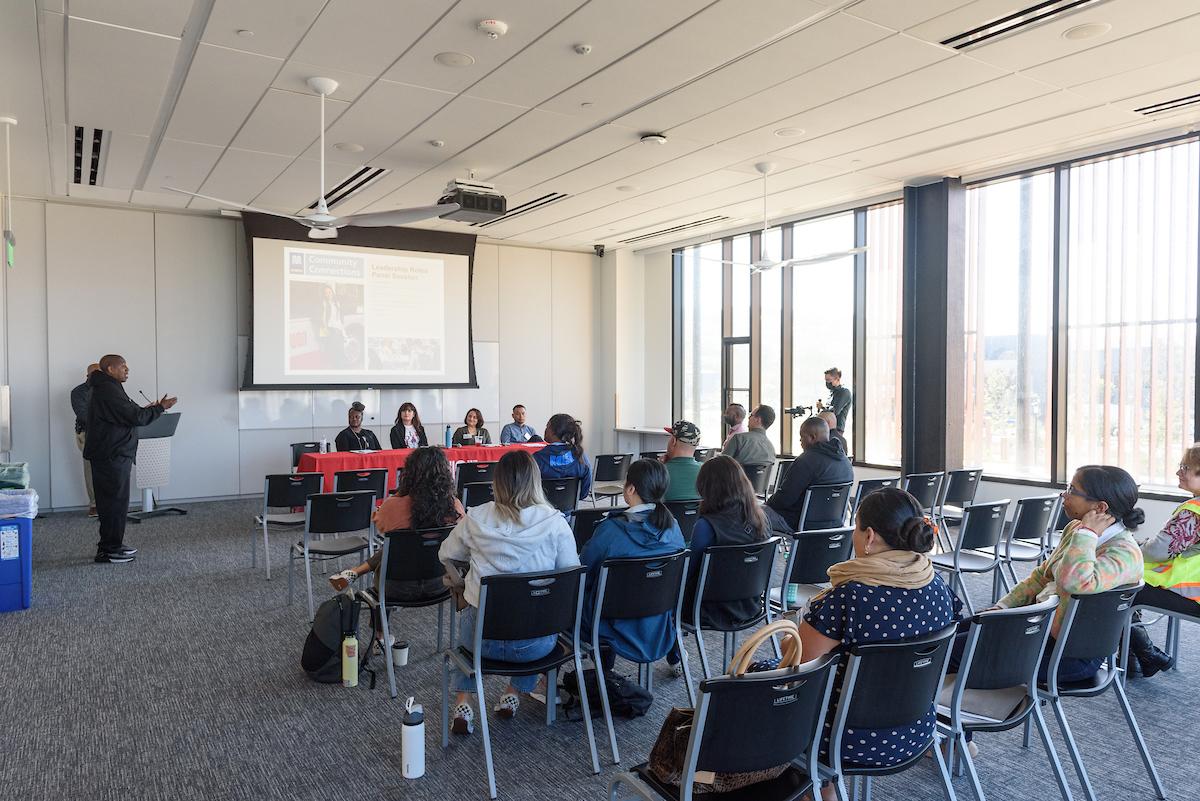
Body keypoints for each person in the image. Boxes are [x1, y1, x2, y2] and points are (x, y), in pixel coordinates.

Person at [797, 487, 960, 790]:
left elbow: (799, 666)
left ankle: (820, 787)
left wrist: (794, 633)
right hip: (918, 729)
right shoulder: (938, 587)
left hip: (843, 738)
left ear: (869, 536)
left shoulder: (848, 597)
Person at [439, 449, 579, 734]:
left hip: (481, 641)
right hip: (535, 645)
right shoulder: (555, 523)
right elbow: (571, 575)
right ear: (535, 481)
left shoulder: (476, 518)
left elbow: (446, 553)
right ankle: (514, 692)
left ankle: (464, 704)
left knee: (471, 617)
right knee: (533, 618)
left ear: (497, 482)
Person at [994, 465, 1144, 684]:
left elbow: (1074, 583)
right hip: (1040, 630)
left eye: (1072, 490)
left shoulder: (1123, 553)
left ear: (1100, 508)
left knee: (960, 655)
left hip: (1070, 655)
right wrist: (1003, 607)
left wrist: (1088, 534)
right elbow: (1041, 577)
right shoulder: (1075, 529)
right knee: (960, 633)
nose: (1064, 495)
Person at [329, 447, 463, 642]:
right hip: (439, 584)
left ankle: (380, 637)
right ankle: (356, 572)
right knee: (404, 547)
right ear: (444, 475)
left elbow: (380, 524)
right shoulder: (454, 506)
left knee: (394, 550)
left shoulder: (393, 506)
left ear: (409, 473)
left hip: (397, 588)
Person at [580, 458, 686, 673]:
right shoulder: (673, 527)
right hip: (658, 617)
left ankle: (600, 667)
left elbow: (584, 570)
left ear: (630, 488)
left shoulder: (610, 530)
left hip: (610, 622)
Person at [84, 354, 177, 563]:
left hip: (113, 453)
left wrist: (153, 408)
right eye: (122, 366)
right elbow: (135, 417)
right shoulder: (107, 389)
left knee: (115, 503)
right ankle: (110, 550)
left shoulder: (109, 387)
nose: (127, 370)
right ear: (109, 369)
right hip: (111, 454)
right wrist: (160, 408)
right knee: (113, 504)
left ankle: (112, 545)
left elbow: (131, 413)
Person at [1123, 447, 1200, 677]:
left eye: (1186, 468)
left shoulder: (1193, 511)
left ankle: (1142, 655)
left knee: (1119, 587)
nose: (1179, 472)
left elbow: (1158, 551)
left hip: (1191, 594)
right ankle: (1141, 657)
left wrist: (1133, 546)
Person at [682, 455, 771, 629]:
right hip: (750, 605)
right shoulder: (761, 519)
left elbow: (688, 572)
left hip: (706, 610)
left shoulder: (706, 527)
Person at [764, 416, 853, 534]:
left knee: (750, 514)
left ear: (812, 437)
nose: (800, 441)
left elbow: (785, 499)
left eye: (802, 437)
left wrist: (767, 504)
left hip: (798, 522)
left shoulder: (806, 460)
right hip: (834, 522)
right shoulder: (845, 461)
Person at [533, 413, 592, 500]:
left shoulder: (536, 458)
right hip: (570, 510)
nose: (545, 430)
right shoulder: (580, 456)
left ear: (552, 431)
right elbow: (583, 493)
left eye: (547, 427)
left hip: (544, 509)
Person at [71, 362, 101, 517]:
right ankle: (94, 504)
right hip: (88, 434)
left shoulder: (110, 389)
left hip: (109, 434)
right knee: (91, 468)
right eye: (94, 374)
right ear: (87, 376)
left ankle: (110, 502)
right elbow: (83, 415)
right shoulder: (78, 392)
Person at [661, 420, 702, 501]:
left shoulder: (658, 472)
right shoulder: (707, 471)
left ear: (673, 441)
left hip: (668, 513)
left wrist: (659, 466)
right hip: (700, 513)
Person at [817, 367, 852, 433]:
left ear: (837, 379)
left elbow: (835, 411)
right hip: (827, 428)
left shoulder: (844, 392)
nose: (827, 383)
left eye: (829, 380)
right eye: (826, 380)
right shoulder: (833, 393)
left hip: (836, 429)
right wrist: (822, 407)